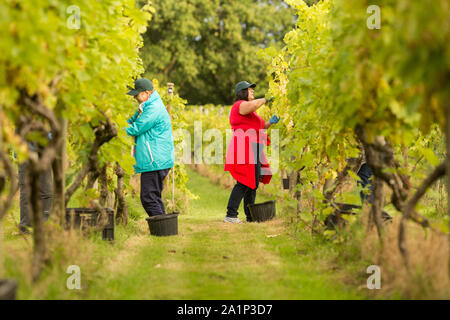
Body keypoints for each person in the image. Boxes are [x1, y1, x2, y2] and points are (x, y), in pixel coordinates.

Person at [223, 81, 280, 223]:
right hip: (244, 147)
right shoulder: (240, 106)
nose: (253, 92)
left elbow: (259, 127)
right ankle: (231, 215)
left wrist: (270, 123)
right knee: (243, 181)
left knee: (252, 183)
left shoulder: (251, 113)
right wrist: (265, 99)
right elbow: (254, 105)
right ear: (242, 92)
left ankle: (251, 216)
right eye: (250, 90)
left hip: (253, 147)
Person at [126, 78, 175, 217]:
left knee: (148, 198)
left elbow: (136, 128)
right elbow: (132, 121)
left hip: (154, 161)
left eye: (137, 94)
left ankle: (161, 229)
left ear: (147, 93)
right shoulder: (147, 106)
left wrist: (116, 129)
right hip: (156, 159)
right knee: (154, 196)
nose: (135, 98)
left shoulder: (153, 108)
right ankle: (164, 229)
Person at [17, 133, 53, 234]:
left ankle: (44, 225)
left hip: (42, 155)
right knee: (26, 192)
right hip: (25, 155)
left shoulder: (46, 120)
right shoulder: (22, 119)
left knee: (47, 191)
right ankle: (25, 226)